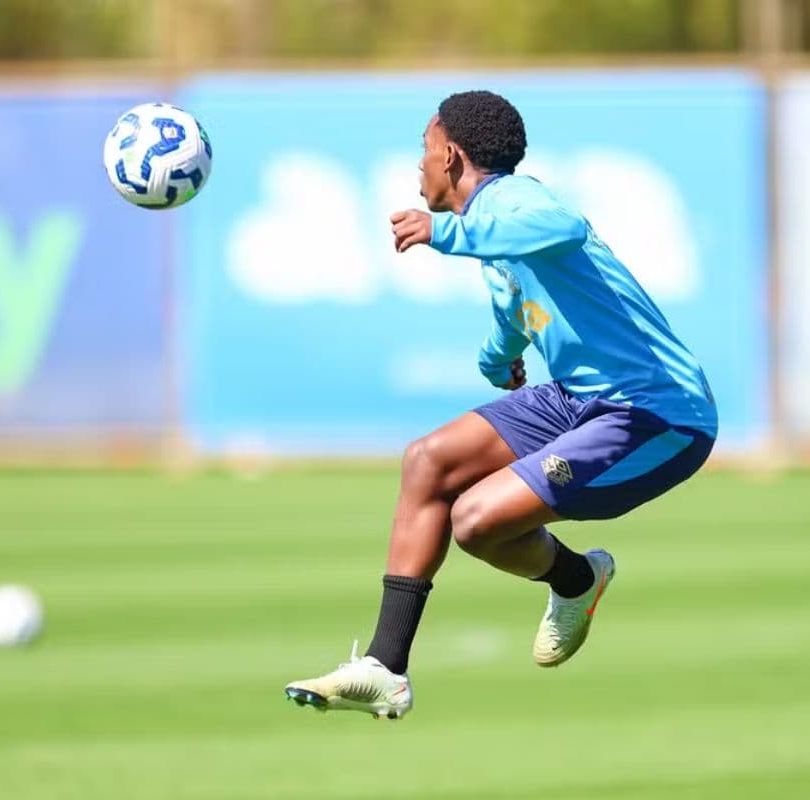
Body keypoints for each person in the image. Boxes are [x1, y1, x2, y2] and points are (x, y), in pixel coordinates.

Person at [284, 90, 718, 719]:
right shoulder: (496, 238)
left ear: (452, 156)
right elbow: (515, 315)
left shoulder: (515, 201)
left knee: (477, 522)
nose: (420, 166)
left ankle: (577, 580)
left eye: (425, 150)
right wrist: (497, 359)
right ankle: (385, 669)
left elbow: (562, 227)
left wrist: (444, 231)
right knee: (428, 461)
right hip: (576, 397)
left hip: (654, 414)